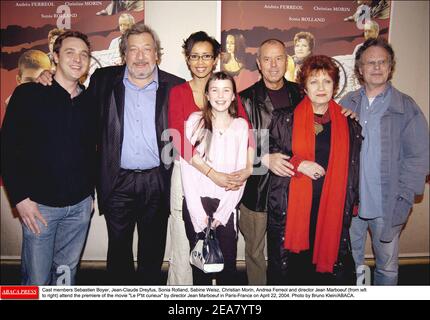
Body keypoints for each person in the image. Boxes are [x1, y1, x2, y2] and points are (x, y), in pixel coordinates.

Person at [37, 23, 184, 285]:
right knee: (118, 251)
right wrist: (47, 78)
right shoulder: (104, 80)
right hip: (117, 181)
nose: (140, 57)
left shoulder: (175, 86)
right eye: (133, 50)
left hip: (158, 180)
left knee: (152, 251)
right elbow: (75, 99)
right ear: (123, 55)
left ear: (157, 55)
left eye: (147, 49)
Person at [2, 31, 95, 285]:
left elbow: (92, 151)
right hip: (39, 209)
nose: (77, 59)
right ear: (54, 57)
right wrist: (19, 198)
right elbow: (7, 149)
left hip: (79, 208)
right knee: (36, 279)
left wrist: (90, 197)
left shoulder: (90, 101)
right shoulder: (28, 95)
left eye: (83, 54)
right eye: (70, 52)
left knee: (66, 276)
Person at [340, 37, 429, 285]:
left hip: (387, 204)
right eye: (371, 63)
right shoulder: (347, 103)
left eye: (383, 62)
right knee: (351, 262)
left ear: (390, 67)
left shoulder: (406, 106)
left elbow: (420, 157)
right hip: (352, 203)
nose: (377, 67)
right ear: (360, 68)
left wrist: (404, 196)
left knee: (386, 268)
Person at [167, 31, 253, 285]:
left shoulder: (225, 90)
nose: (201, 62)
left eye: (206, 56)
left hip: (224, 182)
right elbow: (179, 140)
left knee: (224, 249)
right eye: (195, 56)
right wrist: (211, 173)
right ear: (187, 59)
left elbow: (248, 133)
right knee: (186, 246)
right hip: (188, 175)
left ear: (215, 58)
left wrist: (249, 167)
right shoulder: (179, 92)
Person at [267, 55, 362, 285]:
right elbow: (268, 152)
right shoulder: (284, 118)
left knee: (325, 277)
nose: (321, 88)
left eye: (327, 82)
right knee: (295, 274)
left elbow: (355, 167)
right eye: (314, 82)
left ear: (335, 86)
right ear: (304, 87)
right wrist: (299, 163)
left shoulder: (349, 123)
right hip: (293, 210)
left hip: (331, 209)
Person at [239, 39, 302, 285]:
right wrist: (264, 158)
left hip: (293, 189)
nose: (273, 65)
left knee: (288, 251)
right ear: (258, 63)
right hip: (256, 190)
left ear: (286, 61)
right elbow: (233, 148)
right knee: (255, 252)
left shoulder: (302, 94)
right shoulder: (243, 99)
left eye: (278, 58)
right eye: (267, 59)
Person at [181, 71, 249, 285]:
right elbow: (187, 169)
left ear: (233, 96)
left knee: (227, 268)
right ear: (207, 95)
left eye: (226, 90)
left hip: (227, 206)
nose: (220, 96)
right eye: (215, 90)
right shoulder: (194, 121)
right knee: (200, 268)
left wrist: (224, 211)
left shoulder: (241, 126)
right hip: (196, 204)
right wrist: (197, 214)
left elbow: (241, 174)